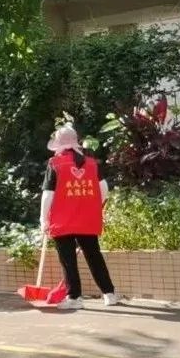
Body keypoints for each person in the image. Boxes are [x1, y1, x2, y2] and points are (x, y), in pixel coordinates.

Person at [40, 124, 121, 311]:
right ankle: (109, 294)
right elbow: (104, 188)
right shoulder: (91, 163)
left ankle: (74, 297)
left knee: (68, 260)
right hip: (87, 218)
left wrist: (44, 219)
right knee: (94, 256)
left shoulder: (55, 163)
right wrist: (96, 205)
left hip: (62, 220)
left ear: (59, 145)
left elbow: (48, 194)